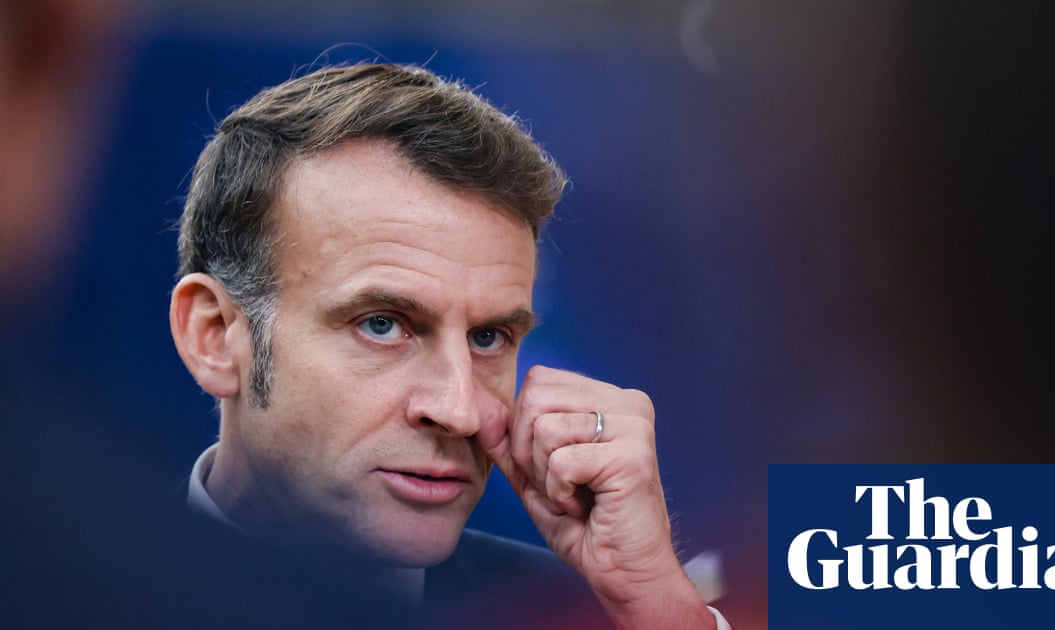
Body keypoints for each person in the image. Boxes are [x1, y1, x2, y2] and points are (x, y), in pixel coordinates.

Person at [168, 62, 728, 629]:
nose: (460, 412)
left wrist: (658, 606)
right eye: (382, 325)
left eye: (489, 338)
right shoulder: (107, 590)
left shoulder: (589, 617)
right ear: (214, 337)